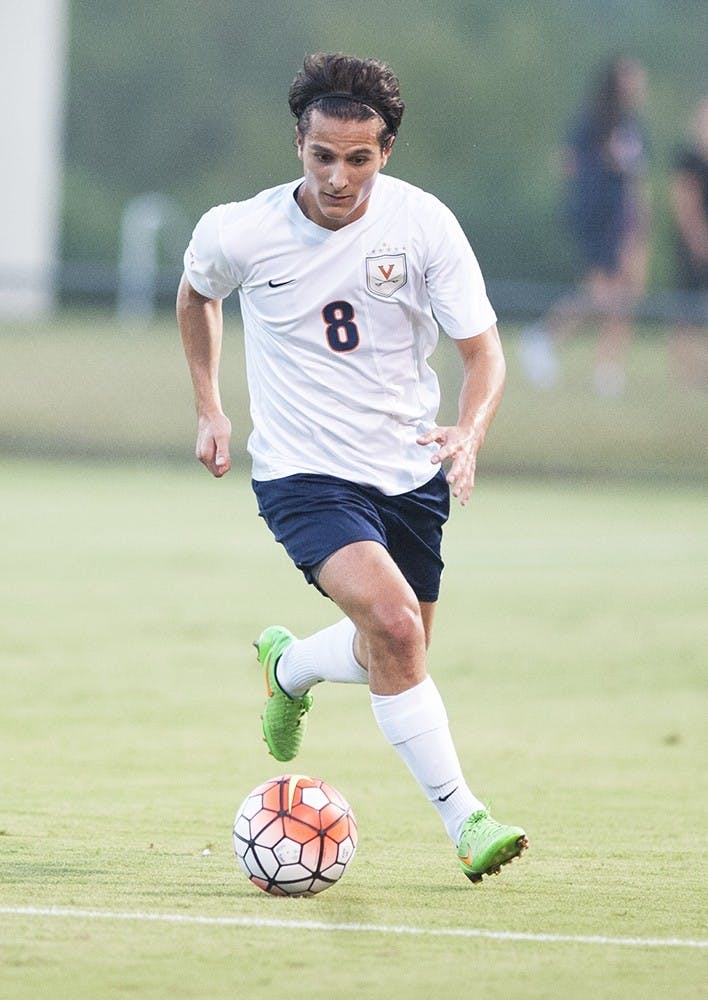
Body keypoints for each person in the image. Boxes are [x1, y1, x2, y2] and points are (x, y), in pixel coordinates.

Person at [177, 52, 527, 884]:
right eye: (322, 155)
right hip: (303, 474)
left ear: (387, 150)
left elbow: (484, 354)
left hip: (409, 473)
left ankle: (289, 667)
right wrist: (210, 407)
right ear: (298, 143)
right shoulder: (240, 230)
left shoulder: (423, 225)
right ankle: (467, 820)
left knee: (393, 653)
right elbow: (197, 295)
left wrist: (469, 433)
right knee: (397, 627)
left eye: (359, 158)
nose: (338, 177)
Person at [520, 57, 650, 396]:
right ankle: (542, 337)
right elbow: (566, 163)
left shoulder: (633, 126)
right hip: (598, 217)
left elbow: (638, 178)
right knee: (601, 294)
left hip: (625, 218)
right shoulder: (592, 122)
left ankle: (608, 369)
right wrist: (591, 188)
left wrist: (640, 218)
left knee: (627, 293)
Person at [668, 96, 708, 389]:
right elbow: (684, 202)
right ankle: (683, 371)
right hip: (694, 244)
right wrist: (697, 239)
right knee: (686, 309)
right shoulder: (689, 159)